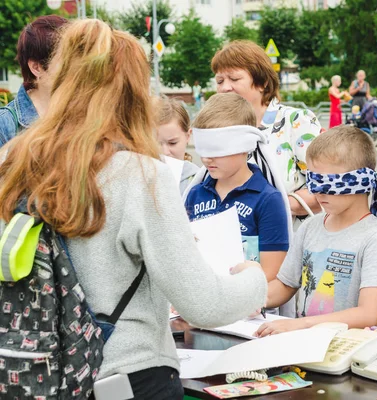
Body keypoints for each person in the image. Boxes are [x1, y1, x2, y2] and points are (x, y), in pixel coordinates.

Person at [0, 20, 267, 398]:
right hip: (127, 378)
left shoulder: (11, 160)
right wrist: (254, 280)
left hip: (36, 373)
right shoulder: (138, 174)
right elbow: (204, 303)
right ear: (132, 92)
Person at [254, 125, 377, 337]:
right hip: (307, 344)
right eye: (313, 180)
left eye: (328, 182)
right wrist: (249, 300)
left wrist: (300, 325)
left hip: (348, 352)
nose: (317, 191)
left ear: (359, 181)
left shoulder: (375, 238)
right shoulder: (310, 227)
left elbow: (368, 314)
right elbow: (285, 284)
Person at [210, 40, 322, 220]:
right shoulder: (220, 129)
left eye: (234, 79)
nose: (224, 87)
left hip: (290, 241)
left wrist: (267, 207)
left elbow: (326, 189)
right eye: (219, 81)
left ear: (262, 82)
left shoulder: (295, 121)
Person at [185, 93, 290, 282]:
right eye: (203, 148)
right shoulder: (195, 194)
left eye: (216, 149)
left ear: (244, 146)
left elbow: (272, 276)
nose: (207, 158)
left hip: (250, 307)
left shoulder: (268, 200)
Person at [0, 15, 68, 145]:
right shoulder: (5, 125)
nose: (77, 67)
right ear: (36, 68)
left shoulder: (84, 115)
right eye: (66, 61)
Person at [155, 95, 199, 195]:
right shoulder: (139, 178)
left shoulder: (199, 180)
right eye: (157, 143)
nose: (165, 152)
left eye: (172, 143)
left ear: (188, 136)